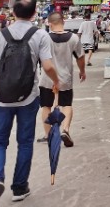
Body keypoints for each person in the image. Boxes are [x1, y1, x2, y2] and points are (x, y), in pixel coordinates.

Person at [0, 0, 59, 206]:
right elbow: (48, 66)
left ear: (12, 11)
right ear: (34, 14)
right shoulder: (40, 34)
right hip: (28, 98)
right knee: (24, 142)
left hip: (2, 99)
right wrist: (56, 82)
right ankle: (19, 187)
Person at [37, 13, 85, 147]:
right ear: (63, 22)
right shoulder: (74, 38)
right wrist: (82, 71)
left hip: (47, 78)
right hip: (65, 78)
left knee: (46, 106)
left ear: (49, 24)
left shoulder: (44, 38)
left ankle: (48, 135)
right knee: (66, 104)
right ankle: (65, 130)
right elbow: (80, 57)